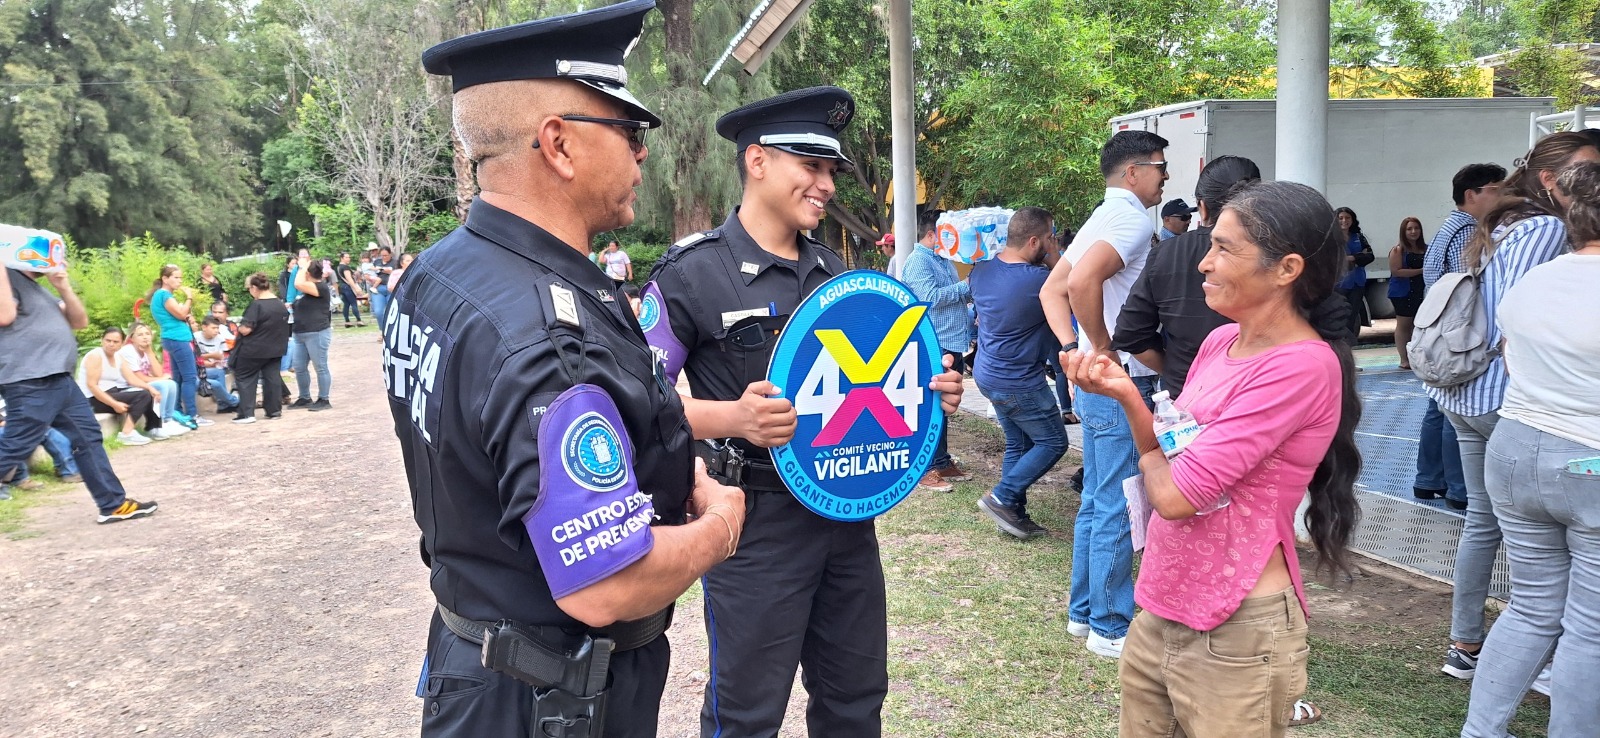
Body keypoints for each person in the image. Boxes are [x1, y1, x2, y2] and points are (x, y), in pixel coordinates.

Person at [406, 4, 749, 734]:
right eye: (628, 131)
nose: (642, 155)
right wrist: (720, 525)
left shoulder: (438, 271)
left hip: (480, 661)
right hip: (551, 697)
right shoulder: (545, 336)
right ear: (559, 143)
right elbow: (607, 582)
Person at [647, 86, 965, 738]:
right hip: (753, 523)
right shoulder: (691, 273)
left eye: (831, 170)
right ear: (757, 161)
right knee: (746, 714)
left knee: (855, 701)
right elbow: (641, 403)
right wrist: (733, 419)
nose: (827, 185)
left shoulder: (836, 274)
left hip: (846, 517)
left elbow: (872, 387)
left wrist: (929, 391)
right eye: (812, 166)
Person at [1067, 179, 1361, 738]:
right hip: (1162, 603)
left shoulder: (1300, 367)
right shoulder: (1218, 344)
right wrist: (1129, 398)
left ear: (1287, 268)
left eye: (1224, 248)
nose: (1204, 262)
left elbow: (1177, 496)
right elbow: (1174, 449)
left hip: (1237, 625)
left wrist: (1144, 439)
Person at [1431, 131, 1600, 682]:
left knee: (1483, 525)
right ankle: (1553, 657)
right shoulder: (1546, 228)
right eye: (1585, 172)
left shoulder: (1502, 221)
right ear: (1551, 180)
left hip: (1465, 391)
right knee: (1554, 550)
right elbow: (1518, 319)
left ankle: (1466, 644)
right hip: (1506, 399)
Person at [1041, 129, 1169, 659]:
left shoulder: (1103, 216)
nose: (1166, 177)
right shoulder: (1132, 220)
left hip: (1098, 381)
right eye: (1160, 167)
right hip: (1121, 381)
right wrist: (1103, 351)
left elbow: (1053, 289)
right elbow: (1076, 285)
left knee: (1097, 499)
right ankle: (1110, 626)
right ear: (1133, 172)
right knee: (1117, 500)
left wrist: (1075, 350)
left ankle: (1084, 614)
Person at [0, 259, 159, 523]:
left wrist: (62, 287)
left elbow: (79, 321)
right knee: (17, 443)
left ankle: (112, 504)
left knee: (87, 437)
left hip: (60, 379)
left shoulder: (36, 287)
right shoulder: (6, 275)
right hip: (30, 381)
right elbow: (4, 315)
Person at [1113, 155, 1260, 396]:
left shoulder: (1167, 254)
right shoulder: (1281, 252)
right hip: (1261, 392)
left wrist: (1177, 370)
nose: (1208, 265)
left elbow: (1130, 334)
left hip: (1188, 396)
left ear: (1202, 207)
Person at [971, 207, 1067, 539]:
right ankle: (1003, 496)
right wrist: (1054, 256)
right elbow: (1069, 281)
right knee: (1054, 441)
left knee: (1019, 442)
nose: (1053, 242)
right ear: (1034, 241)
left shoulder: (981, 271)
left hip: (988, 373)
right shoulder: (1038, 281)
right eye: (1050, 237)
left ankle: (1011, 514)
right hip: (1019, 382)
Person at [1415, 163, 1505, 509]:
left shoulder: (1446, 228)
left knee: (1439, 408)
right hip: (1456, 334)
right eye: (1496, 189)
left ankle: (1429, 479)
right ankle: (1458, 489)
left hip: (1434, 331)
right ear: (1472, 194)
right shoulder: (1470, 233)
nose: (1503, 196)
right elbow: (1467, 288)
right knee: (1458, 410)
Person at [899, 209, 972, 491]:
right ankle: (924, 468)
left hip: (951, 341)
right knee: (929, 408)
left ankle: (941, 461)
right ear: (932, 235)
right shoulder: (919, 261)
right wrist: (964, 286)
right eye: (948, 235)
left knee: (943, 406)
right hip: (933, 343)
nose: (954, 241)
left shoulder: (944, 260)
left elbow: (955, 294)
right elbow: (928, 299)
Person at [77, 327, 163, 444]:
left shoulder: (118, 357)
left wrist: (150, 388)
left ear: (122, 344)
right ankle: (126, 434)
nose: (111, 344)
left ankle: (154, 428)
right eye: (108, 340)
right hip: (92, 399)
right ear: (102, 340)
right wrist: (114, 404)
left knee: (149, 393)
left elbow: (132, 379)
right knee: (143, 396)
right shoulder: (96, 356)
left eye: (115, 342)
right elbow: (92, 386)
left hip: (112, 392)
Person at [149, 264, 210, 427]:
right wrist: (189, 297)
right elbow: (182, 314)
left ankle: (176, 412)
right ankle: (192, 414)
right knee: (189, 376)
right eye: (175, 277)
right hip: (178, 338)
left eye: (180, 277)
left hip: (171, 338)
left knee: (178, 378)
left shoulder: (160, 295)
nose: (179, 281)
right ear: (165, 278)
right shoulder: (164, 295)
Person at [232, 273, 290, 424]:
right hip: (276, 348)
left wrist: (239, 327)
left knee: (245, 377)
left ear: (254, 288)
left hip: (254, 349)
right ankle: (274, 410)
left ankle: (247, 413)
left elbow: (246, 329)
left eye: (248, 289)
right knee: (272, 378)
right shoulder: (279, 304)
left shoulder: (257, 305)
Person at [117, 323, 192, 435]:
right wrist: (161, 379)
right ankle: (158, 424)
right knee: (162, 385)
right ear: (132, 338)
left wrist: (149, 352)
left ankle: (167, 420)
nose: (145, 337)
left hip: (140, 385)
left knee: (171, 384)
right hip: (126, 387)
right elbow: (138, 377)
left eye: (147, 334)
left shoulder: (146, 350)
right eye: (140, 335)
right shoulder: (128, 351)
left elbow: (158, 373)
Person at [290, 256, 334, 411]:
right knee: (299, 366)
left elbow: (297, 283)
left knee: (320, 366)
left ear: (308, 274)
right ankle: (304, 397)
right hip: (300, 333)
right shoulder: (306, 290)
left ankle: (324, 398)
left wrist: (303, 266)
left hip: (317, 332)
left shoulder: (320, 287)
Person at [1388, 217, 1428, 370]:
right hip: (1402, 292)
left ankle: (1417, 357)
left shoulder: (1426, 248)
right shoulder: (1398, 250)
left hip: (1421, 290)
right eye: (1409, 229)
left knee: (1419, 325)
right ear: (1403, 232)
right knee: (1404, 325)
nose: (1413, 231)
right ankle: (1404, 359)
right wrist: (1421, 271)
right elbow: (1396, 271)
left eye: (1416, 228)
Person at [1333, 207, 1375, 341]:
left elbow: (1369, 256)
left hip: (1357, 282)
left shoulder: (1358, 237)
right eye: (1340, 218)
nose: (1344, 221)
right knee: (1338, 315)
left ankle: (1349, 344)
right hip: (1338, 284)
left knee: (1352, 315)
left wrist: (1352, 258)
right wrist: (1359, 256)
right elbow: (1331, 258)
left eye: (1347, 218)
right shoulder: (1331, 238)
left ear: (1352, 220)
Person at [195, 316, 239, 413]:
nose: (216, 331)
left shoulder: (220, 338)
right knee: (217, 383)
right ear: (204, 327)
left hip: (211, 366)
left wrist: (217, 360)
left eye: (217, 328)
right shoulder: (196, 337)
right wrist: (211, 356)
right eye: (213, 328)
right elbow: (193, 357)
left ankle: (222, 404)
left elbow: (221, 356)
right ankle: (232, 402)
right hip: (198, 369)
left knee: (219, 372)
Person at [334, 252, 366, 328]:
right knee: (353, 303)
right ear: (342, 258)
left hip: (341, 287)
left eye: (349, 257)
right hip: (347, 287)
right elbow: (349, 279)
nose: (348, 259)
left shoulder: (338, 267)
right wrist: (356, 288)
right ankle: (359, 320)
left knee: (346, 304)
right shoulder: (345, 267)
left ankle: (347, 321)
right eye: (346, 257)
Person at [369, 246, 394, 320]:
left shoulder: (395, 262)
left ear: (390, 254)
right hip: (378, 288)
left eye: (386, 255)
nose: (384, 257)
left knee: (391, 311)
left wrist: (381, 269)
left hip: (391, 288)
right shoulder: (377, 262)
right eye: (382, 255)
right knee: (378, 312)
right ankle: (382, 326)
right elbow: (370, 271)